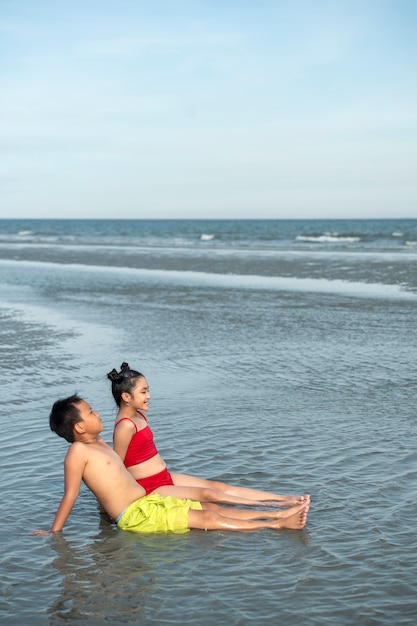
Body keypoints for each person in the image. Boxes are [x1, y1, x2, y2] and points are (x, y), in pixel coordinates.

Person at [33, 395, 309, 535]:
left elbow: (110, 481)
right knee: (208, 520)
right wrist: (54, 532)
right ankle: (276, 524)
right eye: (91, 412)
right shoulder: (77, 453)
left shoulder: (100, 443)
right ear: (79, 426)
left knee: (211, 508)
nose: (98, 413)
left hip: (149, 503)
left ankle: (276, 514)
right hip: (135, 516)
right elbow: (71, 494)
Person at [108, 363, 310, 508]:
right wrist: (112, 504)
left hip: (164, 478)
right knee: (207, 494)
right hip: (148, 487)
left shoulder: (140, 415)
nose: (149, 396)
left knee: (217, 486)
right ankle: (275, 506)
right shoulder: (124, 426)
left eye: (148, 390)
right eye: (143, 392)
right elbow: (117, 467)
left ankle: (281, 499)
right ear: (126, 397)